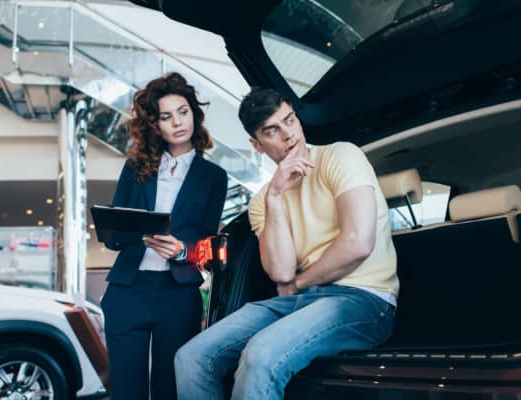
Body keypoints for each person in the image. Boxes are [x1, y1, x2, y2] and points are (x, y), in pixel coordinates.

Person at [174, 87, 398, 400]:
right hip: (300, 301)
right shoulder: (263, 200)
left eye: (290, 120)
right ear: (256, 144)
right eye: (272, 131)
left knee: (261, 356)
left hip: (364, 297)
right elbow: (280, 272)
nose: (289, 135)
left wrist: (300, 282)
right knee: (191, 358)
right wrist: (275, 196)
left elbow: (358, 243)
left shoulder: (340, 156)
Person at [101, 72, 228, 400]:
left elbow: (210, 247)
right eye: (166, 117)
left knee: (170, 389)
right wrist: (132, 233)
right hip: (128, 289)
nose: (177, 122)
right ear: (154, 125)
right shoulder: (134, 168)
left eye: (183, 112)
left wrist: (182, 251)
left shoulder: (214, 177)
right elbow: (114, 236)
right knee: (126, 390)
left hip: (177, 294)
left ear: (194, 114)